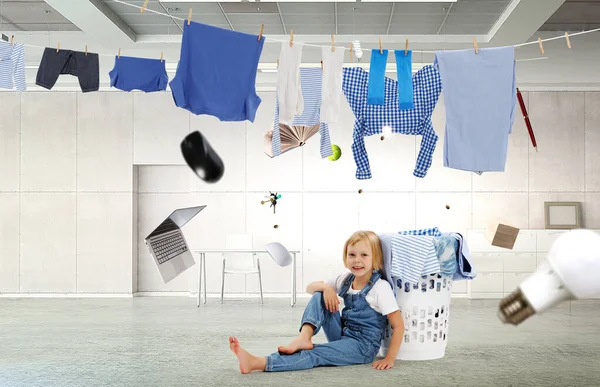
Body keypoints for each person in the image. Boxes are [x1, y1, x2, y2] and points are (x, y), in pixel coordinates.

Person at [229, 230, 404, 373]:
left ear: (376, 259)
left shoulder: (380, 287)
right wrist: (327, 289)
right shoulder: (345, 279)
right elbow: (309, 288)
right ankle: (304, 337)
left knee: (315, 353)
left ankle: (259, 362)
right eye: (352, 254)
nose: (357, 260)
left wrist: (389, 357)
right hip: (342, 333)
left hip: (361, 347)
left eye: (364, 255)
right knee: (320, 293)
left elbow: (398, 325)